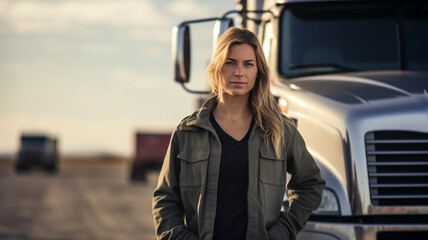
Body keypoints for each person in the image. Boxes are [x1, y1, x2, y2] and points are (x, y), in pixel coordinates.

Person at [152, 27, 325, 240]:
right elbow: (165, 199)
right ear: (217, 67)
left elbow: (310, 184)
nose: (239, 72)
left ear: (258, 71)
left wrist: (282, 231)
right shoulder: (187, 132)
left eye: (248, 64)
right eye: (230, 62)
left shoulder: (281, 130)